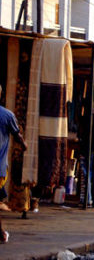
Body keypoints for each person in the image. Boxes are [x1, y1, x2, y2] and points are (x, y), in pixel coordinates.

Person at [0, 85, 27, 243]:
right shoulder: (7, 115)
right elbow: (18, 136)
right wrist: (24, 146)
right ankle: (2, 233)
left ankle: (1, 232)